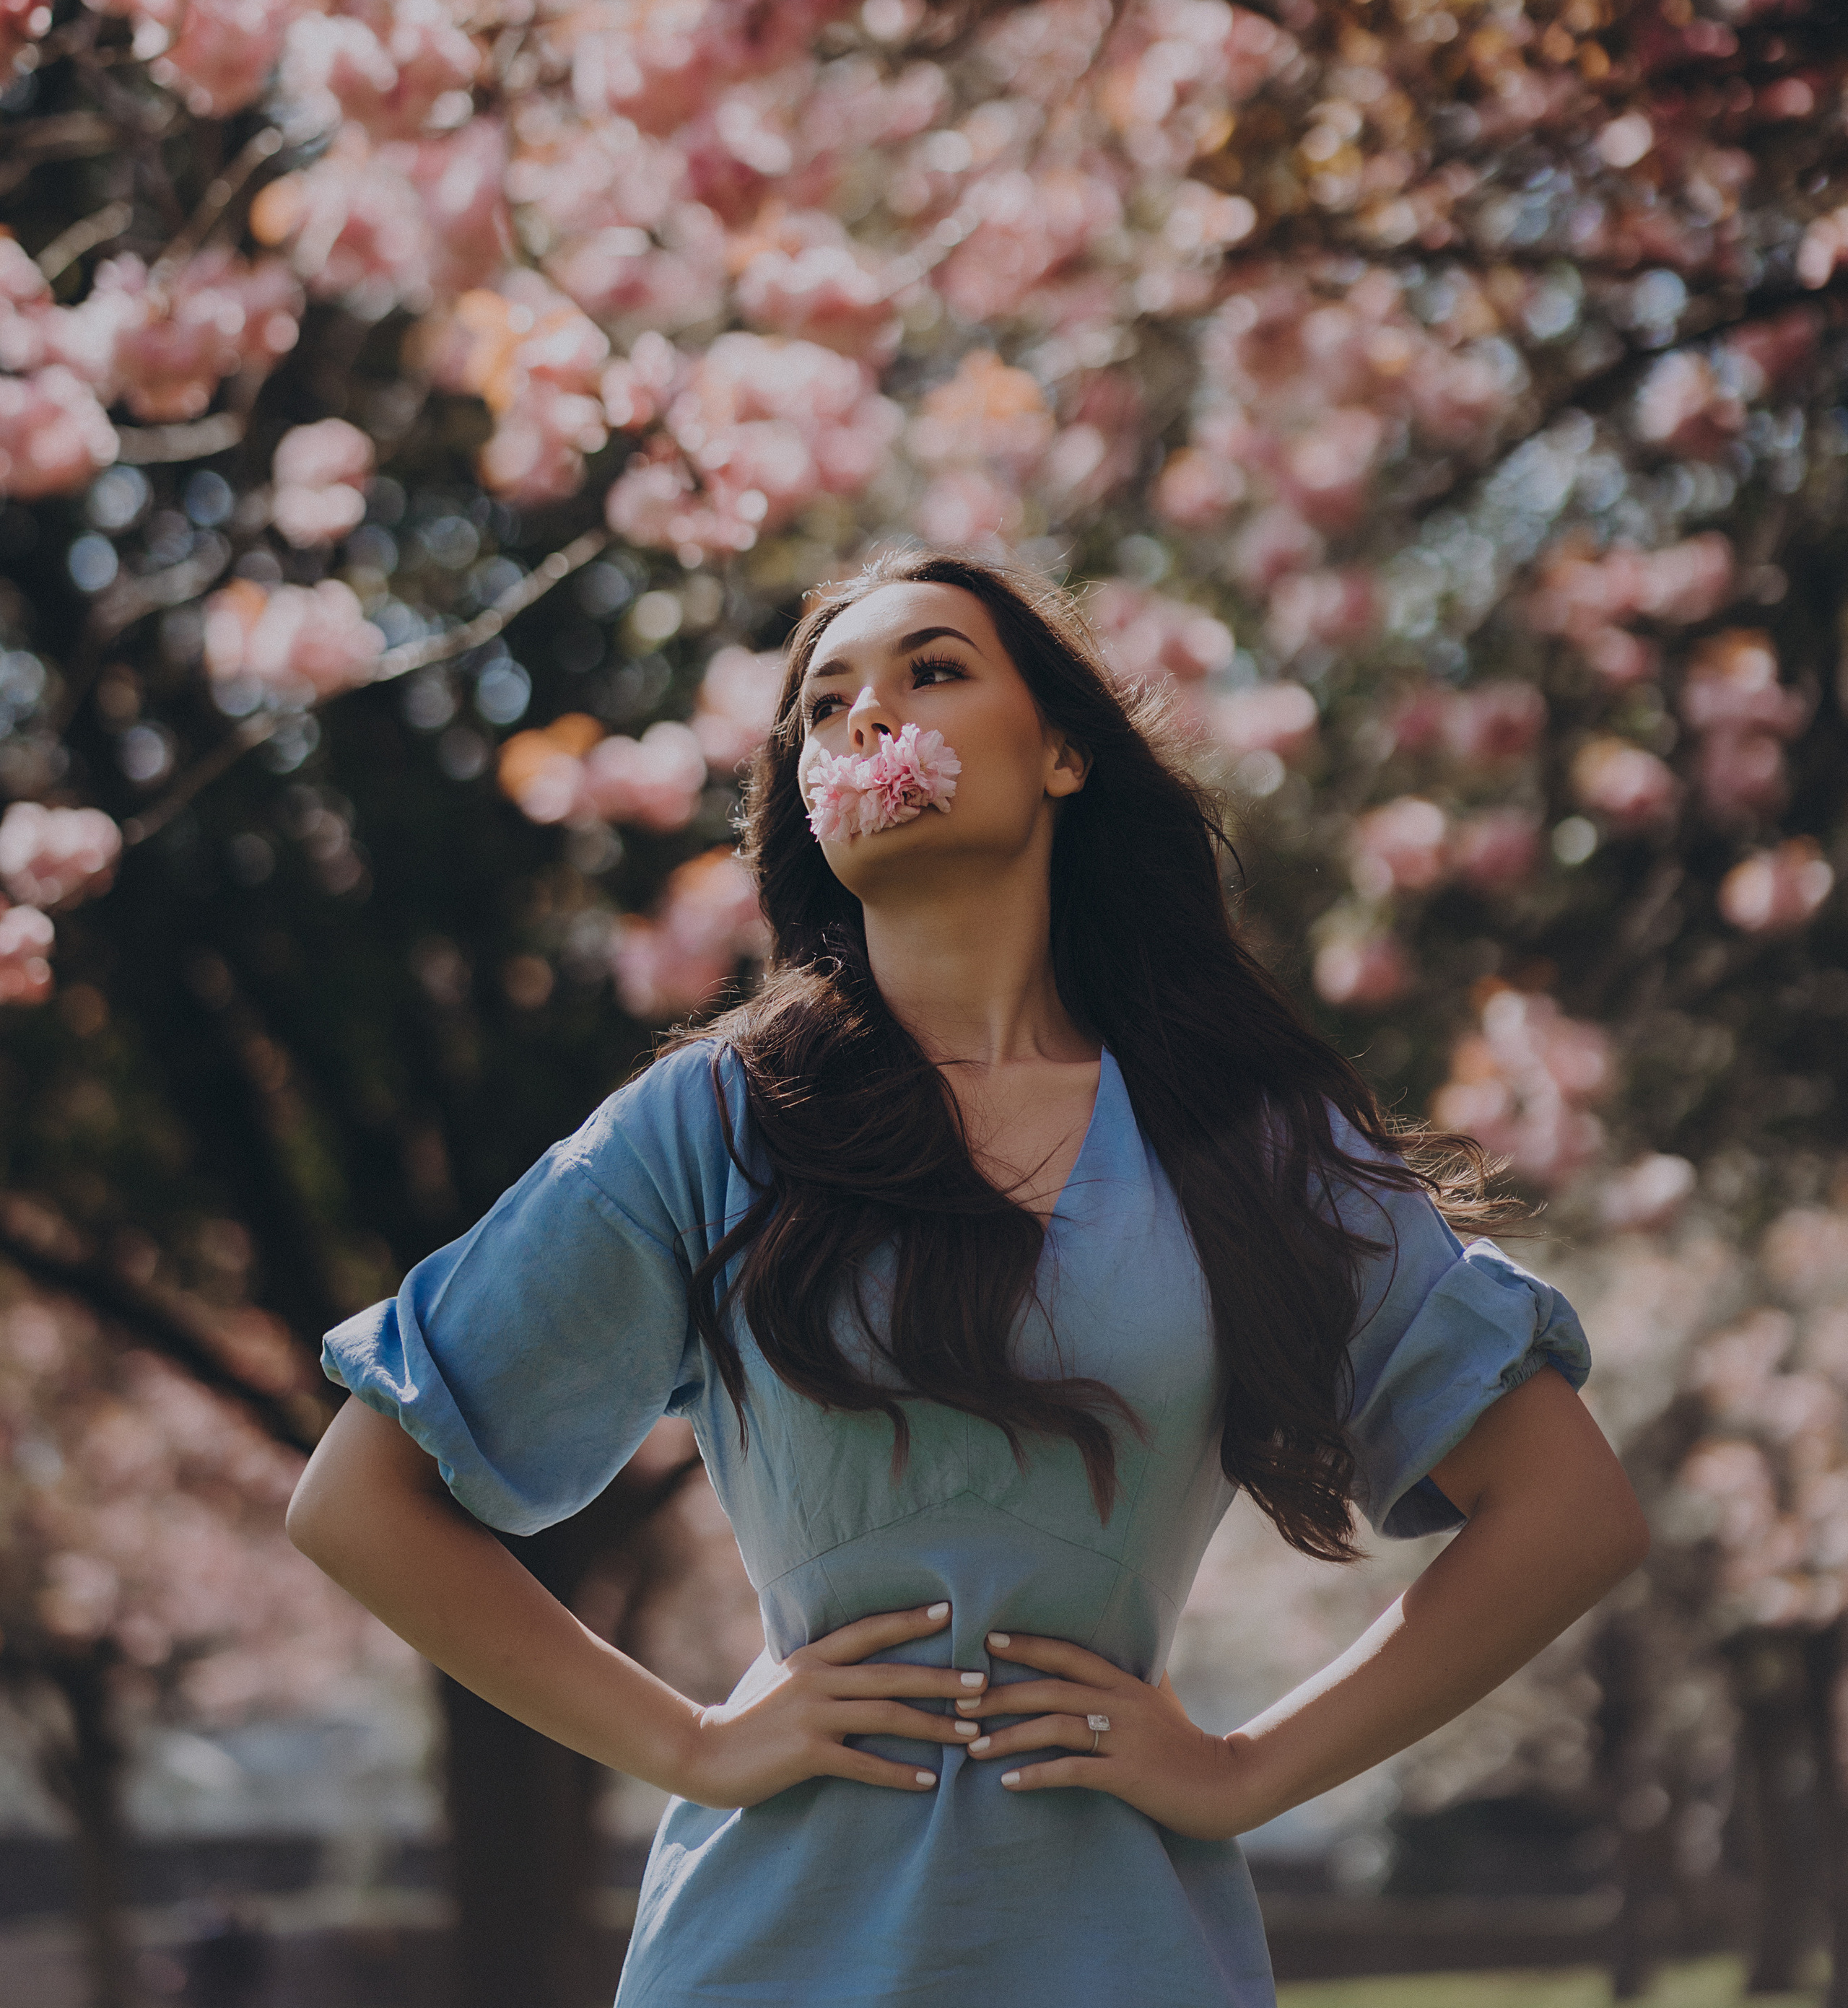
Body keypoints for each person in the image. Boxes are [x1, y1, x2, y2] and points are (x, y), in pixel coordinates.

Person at [287, 548, 1648, 2007]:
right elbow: (358, 1501)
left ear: (1061, 751)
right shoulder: (710, 1125)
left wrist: (1247, 1768)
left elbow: (1565, 1511)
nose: (868, 720)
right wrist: (686, 1745)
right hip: (765, 1952)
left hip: (1123, 1950)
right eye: (823, 707)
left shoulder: (1240, 1139)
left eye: (930, 670)